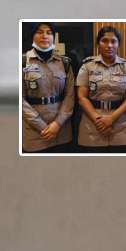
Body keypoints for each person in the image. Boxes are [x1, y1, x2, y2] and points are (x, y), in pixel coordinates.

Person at [76, 26, 126, 153]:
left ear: (118, 44)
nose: (109, 45)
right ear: (98, 44)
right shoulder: (87, 66)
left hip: (120, 127)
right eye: (104, 41)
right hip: (92, 126)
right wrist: (99, 121)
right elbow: (81, 97)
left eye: (113, 41)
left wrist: (111, 119)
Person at [21, 22, 74, 153]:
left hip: (62, 130)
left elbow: (70, 96)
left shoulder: (64, 62)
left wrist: (57, 124)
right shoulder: (22, 62)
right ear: (32, 36)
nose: (44, 36)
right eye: (39, 32)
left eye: (49, 33)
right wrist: (41, 126)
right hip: (34, 132)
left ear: (53, 37)